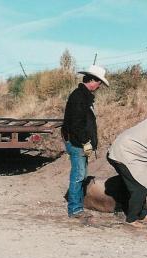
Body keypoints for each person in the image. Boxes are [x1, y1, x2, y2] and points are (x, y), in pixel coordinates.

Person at [61, 65, 109, 218]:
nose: (100, 85)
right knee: (78, 175)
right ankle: (75, 209)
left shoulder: (81, 95)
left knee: (80, 174)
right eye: (99, 82)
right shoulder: (79, 97)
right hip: (77, 143)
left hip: (78, 142)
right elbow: (76, 124)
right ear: (92, 80)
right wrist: (86, 142)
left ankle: (78, 207)